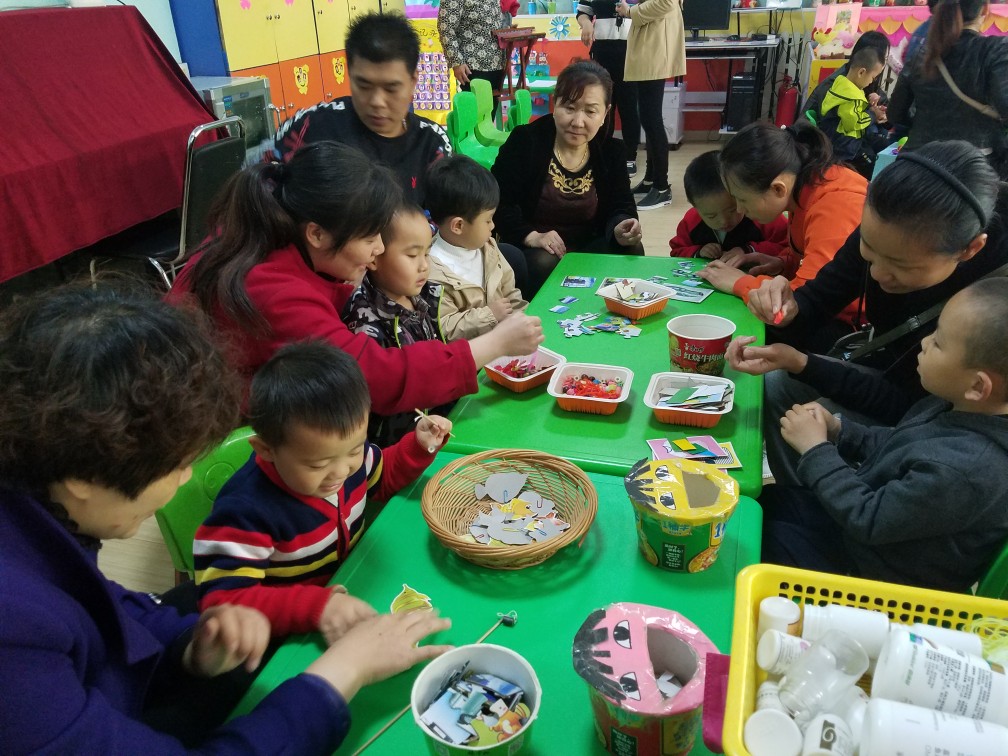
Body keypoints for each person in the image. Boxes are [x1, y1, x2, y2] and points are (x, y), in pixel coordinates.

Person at [0, 283, 452, 753]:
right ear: (84, 476)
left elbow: (115, 612)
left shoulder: (41, 519)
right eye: (177, 465)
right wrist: (344, 670)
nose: (186, 480)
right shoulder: (14, 635)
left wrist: (190, 649)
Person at [170, 141, 544, 417]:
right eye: (369, 238)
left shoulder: (271, 231)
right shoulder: (272, 287)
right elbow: (368, 377)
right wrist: (493, 344)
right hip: (214, 428)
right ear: (317, 234)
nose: (379, 249)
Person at [731, 141, 1007, 483]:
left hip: (932, 416)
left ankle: (822, 507)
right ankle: (798, 498)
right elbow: (818, 300)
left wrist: (805, 366)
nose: (877, 273)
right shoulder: (887, 228)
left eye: (900, 266)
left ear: (969, 250)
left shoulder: (990, 309)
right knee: (779, 384)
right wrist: (788, 310)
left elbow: (905, 403)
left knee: (812, 413)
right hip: (889, 371)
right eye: (868, 250)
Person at [759, 278, 1008, 592]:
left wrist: (815, 450)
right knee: (761, 504)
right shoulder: (954, 406)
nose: (924, 342)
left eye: (938, 342)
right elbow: (898, 445)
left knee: (757, 543)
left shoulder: (967, 471)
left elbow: (868, 518)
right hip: (857, 539)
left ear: (978, 386)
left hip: (875, 578)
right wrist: (839, 430)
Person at [195, 341, 450, 640]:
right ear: (266, 449)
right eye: (318, 464)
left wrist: (419, 446)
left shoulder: (349, 461)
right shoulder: (245, 511)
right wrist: (318, 605)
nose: (342, 471)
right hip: (283, 636)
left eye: (355, 449)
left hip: (352, 590)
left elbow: (384, 476)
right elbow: (224, 603)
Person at [697, 121, 868, 347]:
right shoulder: (805, 186)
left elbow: (803, 305)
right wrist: (783, 262)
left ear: (778, 188)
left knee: (743, 333)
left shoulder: (835, 205)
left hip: (851, 329)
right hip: (830, 314)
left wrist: (740, 283)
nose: (739, 209)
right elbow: (817, 259)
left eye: (742, 199)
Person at [491, 60, 643, 298]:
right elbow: (498, 203)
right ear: (555, 103)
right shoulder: (526, 141)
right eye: (569, 108)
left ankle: (614, 311)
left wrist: (622, 226)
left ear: (605, 113)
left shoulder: (611, 150)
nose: (578, 122)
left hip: (589, 246)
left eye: (590, 111)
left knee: (632, 248)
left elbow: (621, 205)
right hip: (535, 247)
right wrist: (532, 236)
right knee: (543, 261)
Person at [273, 12, 451, 206]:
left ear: (413, 80)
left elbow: (448, 216)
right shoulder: (311, 127)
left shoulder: (431, 144)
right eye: (364, 86)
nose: (377, 102)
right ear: (349, 74)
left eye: (391, 88)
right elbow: (259, 193)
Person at [343, 202, 455, 445]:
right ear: (374, 257)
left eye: (427, 253)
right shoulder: (363, 322)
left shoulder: (424, 297)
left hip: (435, 427)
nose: (424, 265)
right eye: (412, 255)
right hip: (394, 447)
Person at [888, 0, 1008, 178]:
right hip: (973, 167)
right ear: (984, 9)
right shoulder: (995, 50)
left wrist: (924, 123)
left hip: (918, 162)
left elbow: (894, 114)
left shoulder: (922, 54)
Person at [425, 155, 528, 341]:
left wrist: (525, 317)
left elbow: (510, 292)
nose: (493, 226)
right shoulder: (431, 273)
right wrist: (489, 315)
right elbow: (444, 328)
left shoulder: (487, 247)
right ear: (458, 226)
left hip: (506, 341)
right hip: (474, 352)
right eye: (488, 220)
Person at [669, 150, 789, 274]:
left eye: (732, 209)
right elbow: (677, 251)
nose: (724, 221)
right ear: (695, 206)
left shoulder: (763, 215)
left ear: (742, 194)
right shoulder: (691, 220)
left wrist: (749, 250)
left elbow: (789, 249)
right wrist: (698, 251)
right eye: (711, 216)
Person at [615, 0, 685, 210]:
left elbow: (665, 2)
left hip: (655, 46)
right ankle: (650, 180)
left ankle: (661, 187)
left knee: (651, 118)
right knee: (648, 116)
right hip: (651, 43)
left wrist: (630, 11)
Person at [575, 0, 641, 175]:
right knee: (602, 105)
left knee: (629, 106)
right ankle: (603, 151)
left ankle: (630, 156)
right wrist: (586, 23)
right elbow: (582, 12)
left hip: (632, 49)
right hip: (603, 51)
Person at [814, 44, 890, 179]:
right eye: (873, 77)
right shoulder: (850, 97)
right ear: (861, 72)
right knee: (872, 164)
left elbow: (853, 113)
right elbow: (854, 123)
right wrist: (873, 114)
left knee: (878, 145)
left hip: (843, 140)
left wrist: (871, 108)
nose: (872, 82)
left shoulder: (842, 83)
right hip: (843, 148)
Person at [801, 30, 890, 125]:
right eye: (883, 60)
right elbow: (839, 125)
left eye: (885, 59)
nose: (883, 65)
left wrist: (883, 113)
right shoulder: (837, 84)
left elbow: (885, 108)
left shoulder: (864, 79)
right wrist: (872, 113)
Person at [437, 0, 507, 116]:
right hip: (472, 66)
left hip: (496, 64)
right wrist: (457, 62)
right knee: (474, 118)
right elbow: (446, 28)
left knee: (488, 118)